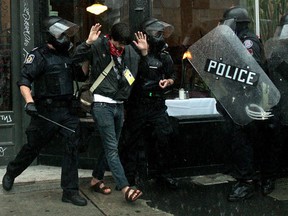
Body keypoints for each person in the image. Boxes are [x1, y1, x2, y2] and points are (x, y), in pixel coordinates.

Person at [2, 16, 87, 206]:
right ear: (50, 35)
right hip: (45, 112)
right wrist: (30, 102)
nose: (65, 38)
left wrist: (84, 53)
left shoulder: (67, 55)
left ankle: (70, 191)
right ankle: (12, 171)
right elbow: (24, 80)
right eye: (61, 34)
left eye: (66, 34)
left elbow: (81, 75)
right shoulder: (38, 55)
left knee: (72, 147)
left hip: (67, 111)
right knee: (33, 147)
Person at [73, 22, 148, 202]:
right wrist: (88, 43)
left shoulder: (130, 50)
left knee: (111, 147)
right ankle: (125, 188)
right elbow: (74, 59)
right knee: (112, 149)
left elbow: (142, 73)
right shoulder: (99, 45)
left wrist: (144, 53)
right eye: (117, 44)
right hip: (102, 105)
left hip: (119, 105)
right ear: (110, 38)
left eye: (123, 45)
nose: (120, 48)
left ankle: (96, 179)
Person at [219, 6, 281, 201]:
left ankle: (247, 182)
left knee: (244, 140)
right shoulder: (237, 40)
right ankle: (249, 177)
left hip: (248, 100)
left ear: (236, 24)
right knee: (242, 139)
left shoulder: (248, 41)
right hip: (239, 99)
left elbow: (250, 71)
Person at [121, 18, 178, 189]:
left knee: (164, 138)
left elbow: (173, 75)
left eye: (161, 33)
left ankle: (163, 175)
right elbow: (130, 77)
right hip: (138, 104)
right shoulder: (132, 53)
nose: (160, 37)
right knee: (131, 141)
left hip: (157, 105)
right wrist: (144, 54)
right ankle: (129, 177)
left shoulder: (164, 56)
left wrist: (169, 81)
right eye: (156, 33)